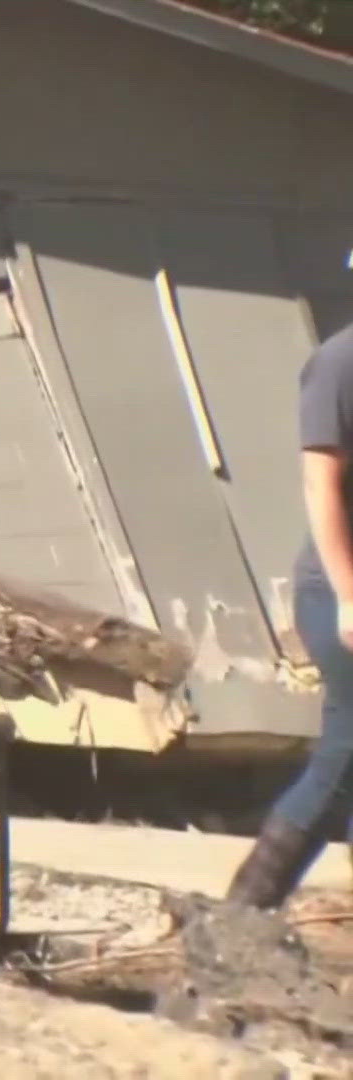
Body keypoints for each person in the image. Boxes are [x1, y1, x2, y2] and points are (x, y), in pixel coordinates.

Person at [225, 319, 353, 909]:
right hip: (337, 588)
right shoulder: (338, 363)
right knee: (346, 752)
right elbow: (320, 484)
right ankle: (243, 913)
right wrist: (349, 594)